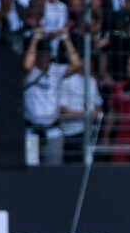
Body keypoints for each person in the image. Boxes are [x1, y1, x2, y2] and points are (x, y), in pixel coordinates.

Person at [23, 26, 82, 165]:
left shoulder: (56, 70)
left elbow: (77, 64)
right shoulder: (29, 74)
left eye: (47, 54)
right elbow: (27, 65)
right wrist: (34, 40)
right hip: (31, 132)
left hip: (52, 132)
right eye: (41, 55)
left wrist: (65, 39)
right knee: (29, 173)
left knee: (53, 172)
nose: (44, 58)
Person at [59, 61, 103, 163]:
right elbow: (63, 112)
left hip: (90, 133)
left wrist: (97, 114)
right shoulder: (67, 81)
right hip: (71, 133)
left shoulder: (92, 81)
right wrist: (85, 115)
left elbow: (98, 105)